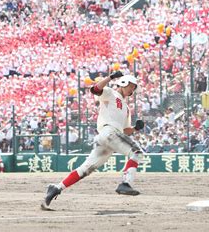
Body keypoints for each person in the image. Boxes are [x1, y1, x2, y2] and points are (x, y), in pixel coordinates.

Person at [41, 71, 145, 209]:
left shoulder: (126, 108)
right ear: (123, 83)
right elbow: (95, 89)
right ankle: (125, 183)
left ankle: (56, 188)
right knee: (136, 152)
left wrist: (135, 128)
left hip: (109, 137)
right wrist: (111, 77)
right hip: (108, 132)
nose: (133, 89)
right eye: (131, 86)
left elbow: (124, 130)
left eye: (134, 88)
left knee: (86, 169)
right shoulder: (111, 93)